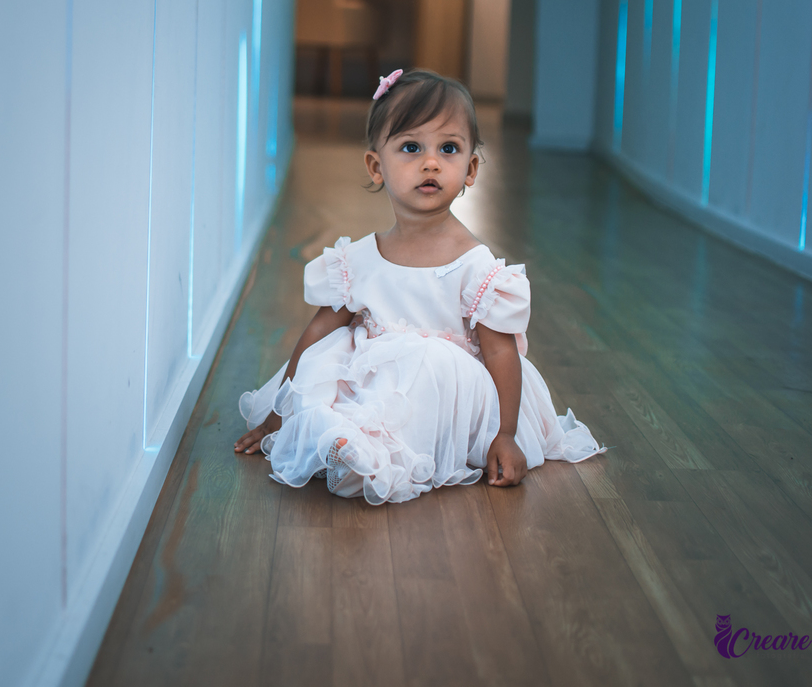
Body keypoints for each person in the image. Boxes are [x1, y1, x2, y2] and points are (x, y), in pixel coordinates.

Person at [233, 69, 605, 504]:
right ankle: (343, 441)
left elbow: (502, 352)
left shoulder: (476, 265)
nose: (431, 162)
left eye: (448, 149)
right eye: (411, 147)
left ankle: (374, 458)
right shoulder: (358, 261)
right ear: (376, 166)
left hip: (454, 401)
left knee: (426, 359)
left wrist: (504, 435)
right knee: (333, 365)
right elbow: (316, 336)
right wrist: (281, 413)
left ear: (470, 169)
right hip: (383, 389)